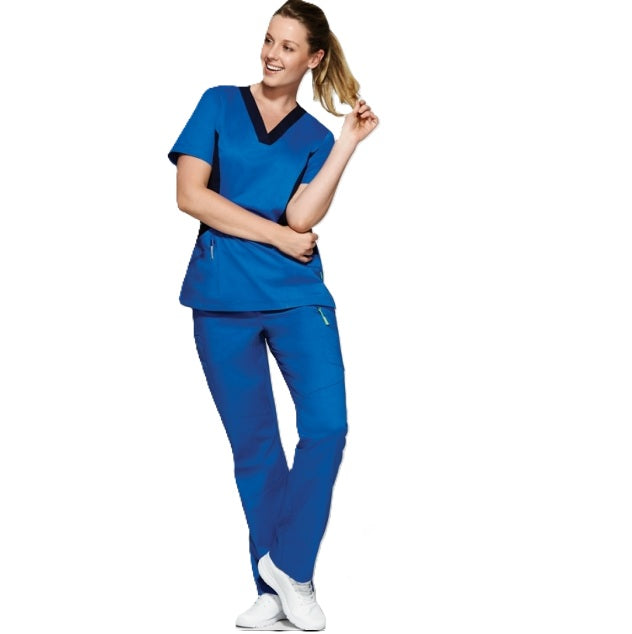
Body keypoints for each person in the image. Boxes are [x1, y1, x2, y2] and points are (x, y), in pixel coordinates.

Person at [167, 0, 379, 629]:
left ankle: (290, 569)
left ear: (313, 58)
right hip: (221, 297)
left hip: (298, 297)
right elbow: (190, 195)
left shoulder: (315, 138)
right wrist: (279, 237)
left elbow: (303, 216)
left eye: (288, 46)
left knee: (328, 427)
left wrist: (348, 142)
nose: (271, 54)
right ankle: (272, 589)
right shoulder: (217, 103)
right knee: (256, 445)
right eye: (268, 40)